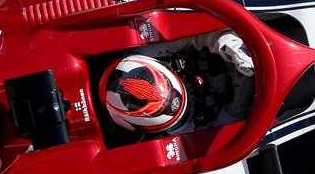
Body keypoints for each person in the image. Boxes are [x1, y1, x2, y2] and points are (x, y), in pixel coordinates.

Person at [98, 29, 255, 135]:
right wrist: (248, 85)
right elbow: (233, 122)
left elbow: (198, 32)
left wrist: (233, 49)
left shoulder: (145, 52)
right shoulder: (180, 135)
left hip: (240, 54)